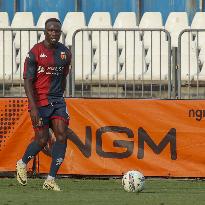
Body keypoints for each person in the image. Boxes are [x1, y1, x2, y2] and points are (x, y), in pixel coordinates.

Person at [16, 18, 72, 191]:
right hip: (39, 101)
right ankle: (22, 162)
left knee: (62, 135)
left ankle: (50, 179)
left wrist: (62, 98)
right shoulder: (35, 52)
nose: (54, 33)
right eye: (51, 30)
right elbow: (27, 81)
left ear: (60, 32)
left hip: (57, 100)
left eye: (57, 31)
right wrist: (33, 107)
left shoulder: (65, 53)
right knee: (42, 139)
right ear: (45, 31)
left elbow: (63, 77)